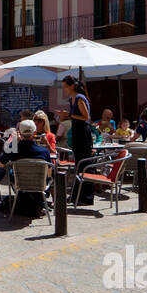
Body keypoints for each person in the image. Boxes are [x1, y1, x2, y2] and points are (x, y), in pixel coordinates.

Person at [0, 119, 54, 210]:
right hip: (40, 185)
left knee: (0, 170)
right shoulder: (44, 151)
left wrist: (14, 142)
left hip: (19, 183)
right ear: (35, 132)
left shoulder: (13, 148)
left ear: (19, 132)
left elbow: (1, 165)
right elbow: (49, 173)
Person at [62, 76, 93, 205]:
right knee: (78, 164)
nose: (64, 89)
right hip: (76, 132)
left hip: (83, 134)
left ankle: (87, 197)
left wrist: (68, 115)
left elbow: (86, 117)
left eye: (65, 86)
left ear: (72, 86)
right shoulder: (72, 99)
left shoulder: (80, 98)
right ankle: (77, 196)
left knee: (84, 164)